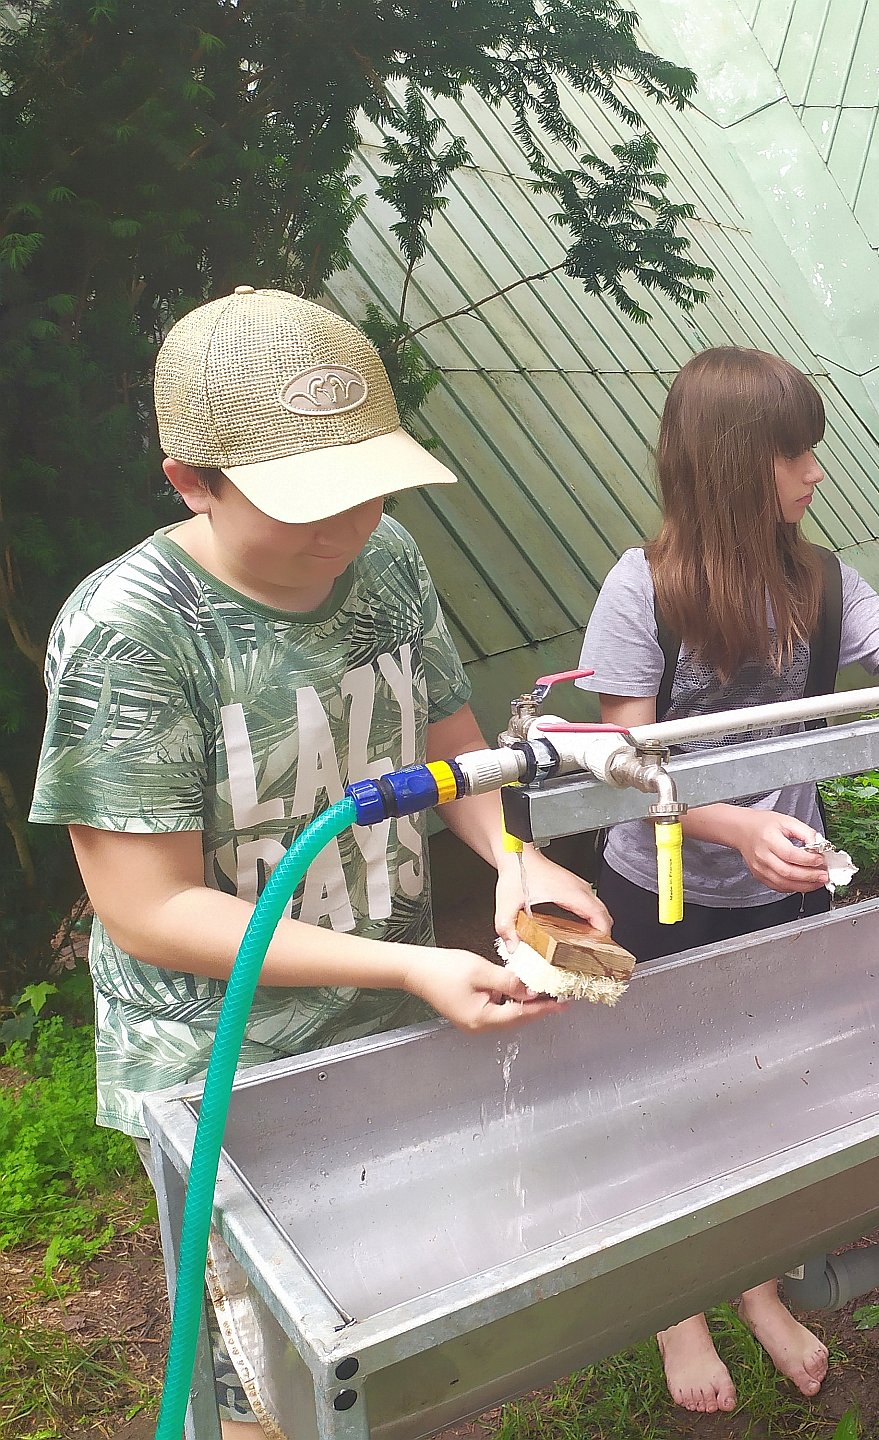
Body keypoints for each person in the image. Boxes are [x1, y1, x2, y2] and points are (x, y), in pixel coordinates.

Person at [30, 287, 608, 1437]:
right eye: (307, 500)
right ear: (189, 480)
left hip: (380, 1024)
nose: (347, 526)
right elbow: (148, 910)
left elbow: (451, 755)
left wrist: (513, 862)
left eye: (368, 485)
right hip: (222, 1072)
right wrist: (409, 968)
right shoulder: (132, 632)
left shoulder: (388, 559)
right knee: (262, 1379)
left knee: (382, 1329)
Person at [576, 346, 879, 1412]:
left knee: (769, 1086)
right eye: (794, 453)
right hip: (661, 893)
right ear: (728, 463)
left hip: (790, 881)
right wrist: (734, 825)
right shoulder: (642, 589)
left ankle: (755, 1284)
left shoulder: (823, 582)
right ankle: (678, 1309)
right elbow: (623, 765)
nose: (815, 473)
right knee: (669, 1092)